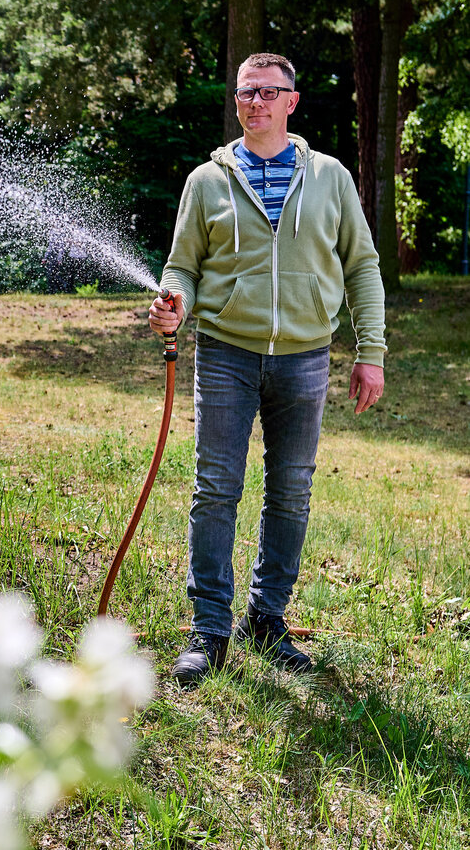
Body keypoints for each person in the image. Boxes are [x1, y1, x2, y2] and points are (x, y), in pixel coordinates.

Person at [148, 52, 387, 687]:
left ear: (291, 102)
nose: (254, 101)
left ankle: (267, 618)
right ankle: (209, 629)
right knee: (215, 489)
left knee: (290, 492)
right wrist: (174, 303)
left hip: (306, 357)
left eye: (266, 92)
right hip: (227, 351)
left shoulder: (330, 177)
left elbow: (361, 265)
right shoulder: (207, 180)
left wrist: (371, 353)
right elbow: (183, 267)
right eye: (245, 92)